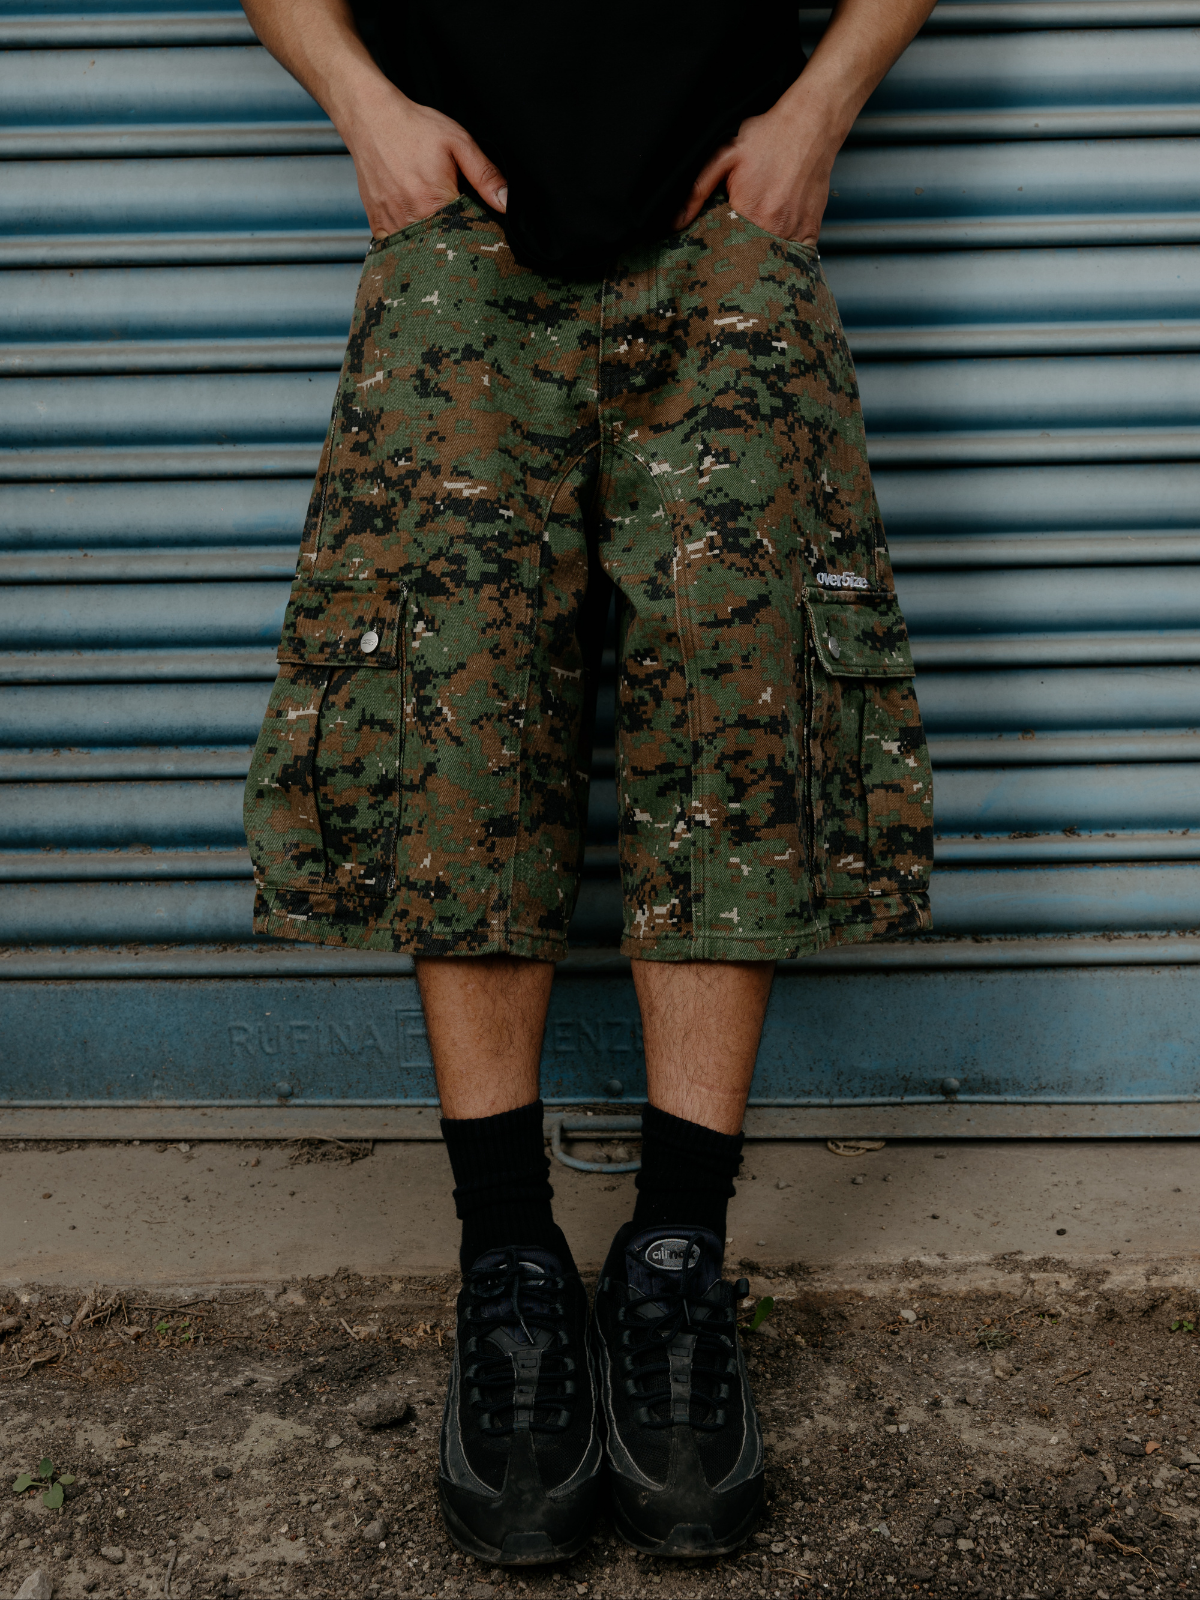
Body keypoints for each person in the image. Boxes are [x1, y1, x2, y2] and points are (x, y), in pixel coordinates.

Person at [241, 0, 937, 1565]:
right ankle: (510, 1266)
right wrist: (362, 104)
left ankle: (677, 1259)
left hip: (728, 236)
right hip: (458, 243)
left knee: (739, 721)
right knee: (455, 728)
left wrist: (821, 108)